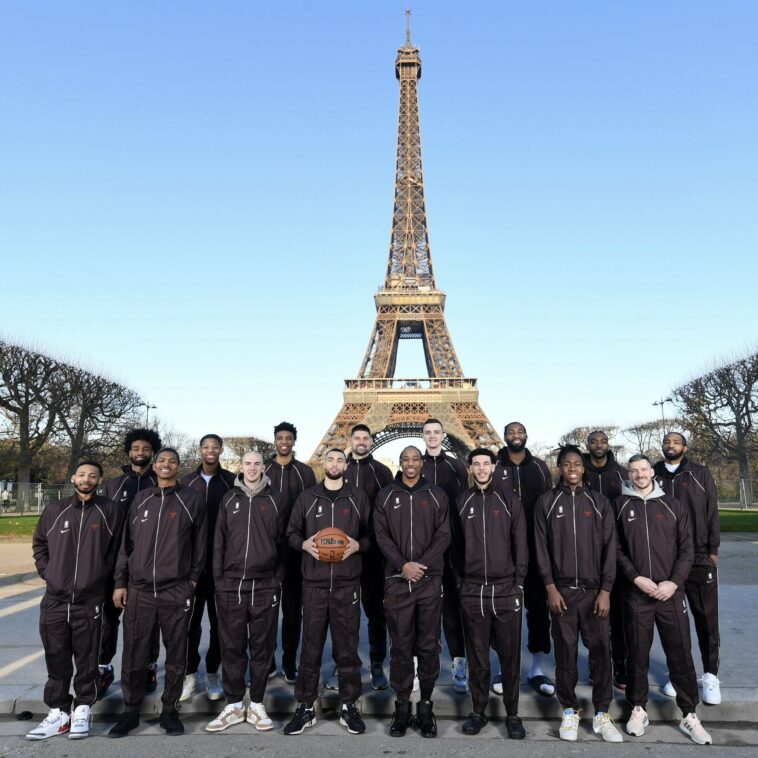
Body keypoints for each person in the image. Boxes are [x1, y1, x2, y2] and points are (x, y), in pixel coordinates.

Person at [108, 448, 207, 738]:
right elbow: (127, 545)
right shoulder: (141, 499)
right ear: (155, 466)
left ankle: (169, 709)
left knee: (176, 653)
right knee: (134, 654)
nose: (166, 465)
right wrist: (120, 582)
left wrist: (191, 581)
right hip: (139, 590)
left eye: (172, 462)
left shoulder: (191, 499)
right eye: (162, 461)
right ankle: (130, 710)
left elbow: (200, 544)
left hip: (175, 588)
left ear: (178, 467)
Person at [615, 454, 712, 745]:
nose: (640, 475)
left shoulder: (673, 506)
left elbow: (687, 549)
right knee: (637, 655)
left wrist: (673, 582)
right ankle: (637, 707)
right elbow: (615, 549)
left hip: (670, 593)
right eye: (634, 471)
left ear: (652, 473)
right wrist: (636, 578)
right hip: (636, 593)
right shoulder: (619, 506)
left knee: (680, 653)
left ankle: (689, 714)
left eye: (644, 469)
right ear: (629, 475)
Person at [27, 462, 123, 741]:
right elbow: (39, 544)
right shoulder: (55, 510)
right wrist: (49, 573)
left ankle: (82, 708)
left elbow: (117, 551)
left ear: (99, 480)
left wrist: (103, 578)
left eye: (92, 476)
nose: (86, 479)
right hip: (55, 599)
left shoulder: (110, 510)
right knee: (56, 658)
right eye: (82, 475)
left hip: (89, 598)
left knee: (87, 658)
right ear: (73, 478)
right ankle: (59, 712)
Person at [534, 446, 623, 743]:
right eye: (566, 463)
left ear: (583, 468)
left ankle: (601, 713)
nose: (572, 468)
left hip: (595, 592)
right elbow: (541, 549)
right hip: (562, 593)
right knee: (565, 656)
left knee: (600, 655)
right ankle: (569, 710)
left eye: (577, 463)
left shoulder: (599, 502)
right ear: (559, 467)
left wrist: (606, 589)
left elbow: (611, 548)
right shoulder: (546, 502)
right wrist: (549, 586)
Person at [283, 448, 370, 736]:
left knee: (347, 650)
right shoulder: (307, 497)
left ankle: (349, 704)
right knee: (310, 650)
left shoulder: (357, 497)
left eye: (339, 460)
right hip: (315, 585)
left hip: (347, 585)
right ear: (324, 463)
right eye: (330, 459)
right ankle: (305, 706)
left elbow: (373, 534)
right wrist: (303, 544)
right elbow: (291, 533)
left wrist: (359, 545)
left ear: (347, 465)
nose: (335, 464)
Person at [205, 451, 287, 733]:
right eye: (247, 464)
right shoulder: (229, 499)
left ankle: (258, 703)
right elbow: (218, 543)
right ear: (240, 467)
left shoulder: (276, 499)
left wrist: (277, 579)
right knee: (232, 647)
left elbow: (284, 543)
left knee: (263, 648)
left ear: (264, 468)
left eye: (257, 464)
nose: (252, 468)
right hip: (231, 585)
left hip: (265, 584)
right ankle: (234, 703)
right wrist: (219, 580)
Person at [374, 446, 451, 738]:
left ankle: (427, 704)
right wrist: (402, 565)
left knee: (429, 646)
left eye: (415, 459)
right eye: (405, 459)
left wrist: (420, 565)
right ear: (400, 463)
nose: (410, 464)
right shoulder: (385, 496)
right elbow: (381, 535)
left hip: (429, 581)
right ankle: (403, 705)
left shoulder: (437, 494)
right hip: (397, 580)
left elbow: (444, 534)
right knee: (401, 647)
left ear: (422, 462)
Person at [456, 449, 527, 740]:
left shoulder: (510, 500)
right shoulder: (461, 501)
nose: (482, 468)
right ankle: (478, 711)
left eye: (486, 463)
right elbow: (454, 546)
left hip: (505, 589)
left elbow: (520, 541)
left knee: (510, 658)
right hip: (473, 590)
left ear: (494, 467)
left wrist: (519, 581)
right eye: (477, 464)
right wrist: (461, 582)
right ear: (470, 468)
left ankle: (512, 713)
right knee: (477, 658)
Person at [654, 432, 721, 704]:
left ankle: (710, 675)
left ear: (685, 447)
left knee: (706, 619)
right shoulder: (653, 473)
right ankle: (680, 674)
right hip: (665, 562)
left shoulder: (699, 474)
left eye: (676, 442)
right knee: (676, 625)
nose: (671, 445)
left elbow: (711, 511)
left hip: (698, 557)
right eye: (667, 442)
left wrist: (712, 550)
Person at [98, 428, 161, 698]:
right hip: (113, 563)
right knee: (108, 619)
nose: (140, 453)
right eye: (136, 449)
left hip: (147, 564)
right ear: (129, 451)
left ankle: (148, 665)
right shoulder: (114, 485)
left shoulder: (158, 483)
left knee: (149, 621)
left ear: (152, 453)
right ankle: (103, 666)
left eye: (146, 449)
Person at [495, 421, 553, 696]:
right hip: (502, 549)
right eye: (511, 433)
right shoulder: (493, 467)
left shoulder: (540, 467)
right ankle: (503, 666)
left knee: (538, 609)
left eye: (519, 432)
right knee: (501, 611)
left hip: (535, 546)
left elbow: (551, 505)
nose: (515, 436)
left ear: (526, 435)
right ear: (504, 437)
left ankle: (537, 668)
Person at [179, 434, 236, 702]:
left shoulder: (231, 481)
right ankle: (190, 673)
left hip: (221, 563)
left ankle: (213, 671)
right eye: (206, 447)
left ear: (221, 450)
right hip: (191, 564)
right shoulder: (186, 482)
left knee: (219, 623)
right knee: (189, 623)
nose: (210, 451)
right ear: (200, 450)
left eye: (215, 447)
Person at [340, 423, 393, 691]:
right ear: (350, 440)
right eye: (356, 437)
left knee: (376, 613)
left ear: (371, 441)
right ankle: (345, 666)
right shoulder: (339, 467)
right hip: (342, 554)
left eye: (365, 438)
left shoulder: (382, 472)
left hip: (372, 554)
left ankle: (376, 663)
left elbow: (390, 513)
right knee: (344, 615)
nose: (361, 441)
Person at [265, 421, 317, 683]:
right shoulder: (262, 470)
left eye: (288, 438)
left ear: (294, 441)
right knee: (266, 612)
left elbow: (312, 510)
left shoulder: (305, 473)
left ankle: (288, 660)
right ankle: (268, 660)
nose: (284, 441)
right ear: (275, 440)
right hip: (267, 552)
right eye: (280, 437)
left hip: (296, 551)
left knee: (293, 611)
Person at [421, 418, 470, 693]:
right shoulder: (415, 464)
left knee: (452, 611)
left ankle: (459, 662)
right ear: (423, 435)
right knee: (422, 611)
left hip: (451, 548)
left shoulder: (457, 466)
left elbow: (465, 505)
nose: (432, 436)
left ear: (443, 435)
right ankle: (421, 666)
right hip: (421, 549)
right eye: (427, 432)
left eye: (437, 432)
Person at [583, 430, 629, 690]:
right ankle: (597, 664)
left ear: (608, 444)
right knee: (595, 617)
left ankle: (620, 664)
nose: (598, 445)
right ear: (587, 445)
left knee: (619, 614)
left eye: (602, 441)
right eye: (593, 441)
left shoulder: (622, 474)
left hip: (619, 548)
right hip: (588, 551)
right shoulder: (579, 471)